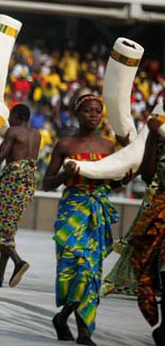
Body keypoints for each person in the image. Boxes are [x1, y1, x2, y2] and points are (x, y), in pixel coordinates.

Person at [43, 94, 129, 346]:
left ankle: (77, 327)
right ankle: (75, 327)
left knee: (90, 272)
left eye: (97, 110)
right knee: (73, 269)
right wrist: (64, 176)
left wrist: (126, 176)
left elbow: (113, 183)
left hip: (96, 213)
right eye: (88, 110)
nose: (93, 114)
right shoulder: (64, 144)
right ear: (77, 114)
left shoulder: (108, 147)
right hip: (72, 212)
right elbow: (47, 183)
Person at [0, 103, 40, 288]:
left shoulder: (13, 131)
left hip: (12, 183)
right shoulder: (37, 134)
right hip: (27, 184)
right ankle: (0, 276)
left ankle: (18, 262)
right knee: (8, 229)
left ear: (16, 116)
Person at [129, 115, 165, 346]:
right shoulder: (159, 137)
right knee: (158, 270)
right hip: (161, 211)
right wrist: (153, 135)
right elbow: (148, 174)